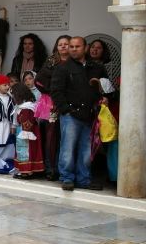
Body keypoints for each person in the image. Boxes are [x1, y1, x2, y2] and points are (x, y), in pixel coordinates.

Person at [50, 36, 105, 191]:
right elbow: (56, 91)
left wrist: (103, 99)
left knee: (86, 150)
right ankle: (66, 178)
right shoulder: (62, 68)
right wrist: (66, 110)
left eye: (77, 46)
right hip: (70, 115)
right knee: (67, 148)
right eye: (71, 46)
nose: (73, 49)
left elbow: (106, 88)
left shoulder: (96, 67)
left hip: (90, 115)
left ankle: (84, 179)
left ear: (85, 48)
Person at [35, 35, 71, 180]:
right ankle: (50, 168)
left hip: (69, 104)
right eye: (60, 44)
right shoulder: (51, 61)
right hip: (51, 106)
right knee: (51, 138)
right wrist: (54, 91)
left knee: (66, 138)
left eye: (66, 44)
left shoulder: (75, 63)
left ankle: (64, 169)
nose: (63, 46)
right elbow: (39, 81)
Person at [12, 83, 44, 178]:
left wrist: (25, 132)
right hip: (22, 130)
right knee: (22, 150)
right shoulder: (22, 107)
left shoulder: (27, 107)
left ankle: (27, 171)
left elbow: (27, 121)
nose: (13, 97)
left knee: (26, 151)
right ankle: (23, 170)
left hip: (27, 132)